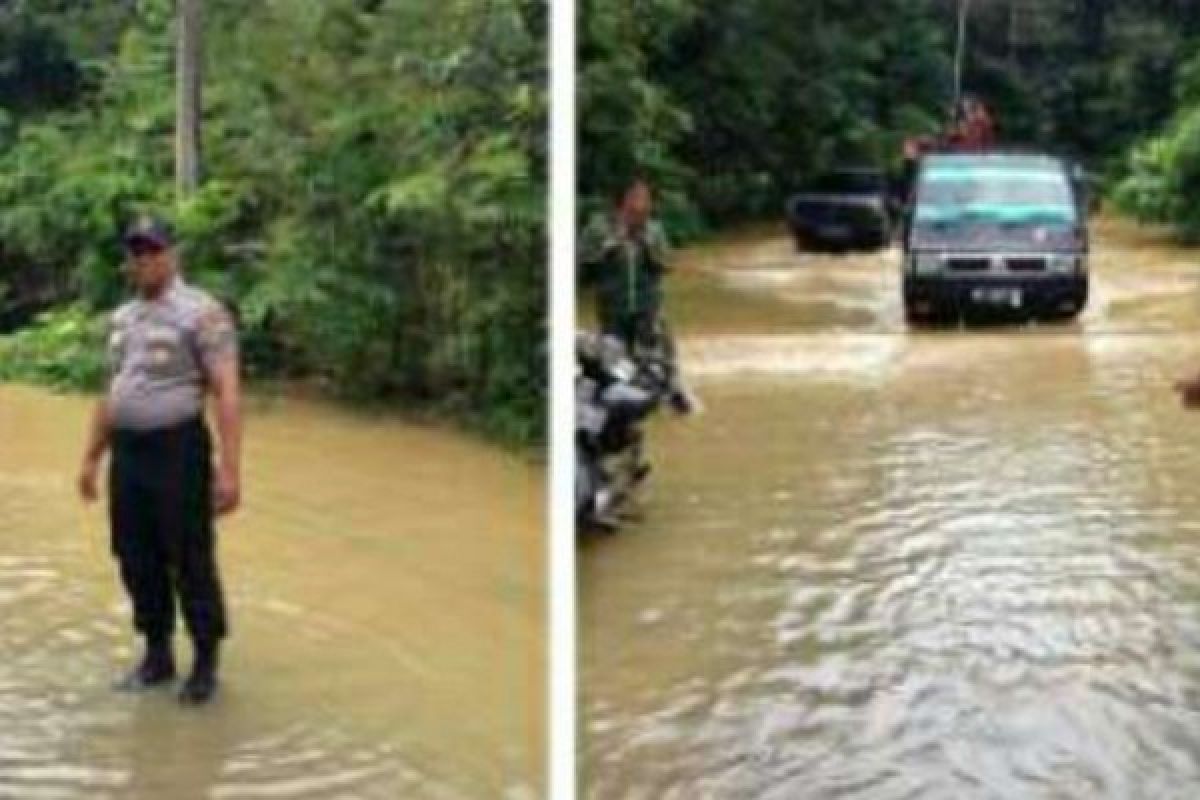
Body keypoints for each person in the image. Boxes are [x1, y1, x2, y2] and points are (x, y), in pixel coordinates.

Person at [78, 215, 242, 707]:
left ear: (172, 254)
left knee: (189, 557)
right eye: (136, 252)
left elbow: (227, 392)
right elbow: (112, 391)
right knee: (135, 557)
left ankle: (206, 665)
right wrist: (90, 458)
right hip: (129, 455)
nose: (143, 259)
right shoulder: (123, 317)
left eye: (152, 250)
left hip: (178, 451)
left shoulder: (203, 313)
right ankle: (157, 656)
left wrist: (230, 470)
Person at [579, 178, 697, 414]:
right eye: (638, 196)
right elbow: (584, 263)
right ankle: (619, 402)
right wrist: (608, 247)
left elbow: (668, 264)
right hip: (613, 305)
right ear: (623, 200)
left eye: (646, 198)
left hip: (648, 305)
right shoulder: (599, 227)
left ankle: (662, 399)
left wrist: (647, 245)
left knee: (653, 356)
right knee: (615, 358)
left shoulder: (654, 229)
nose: (644, 203)